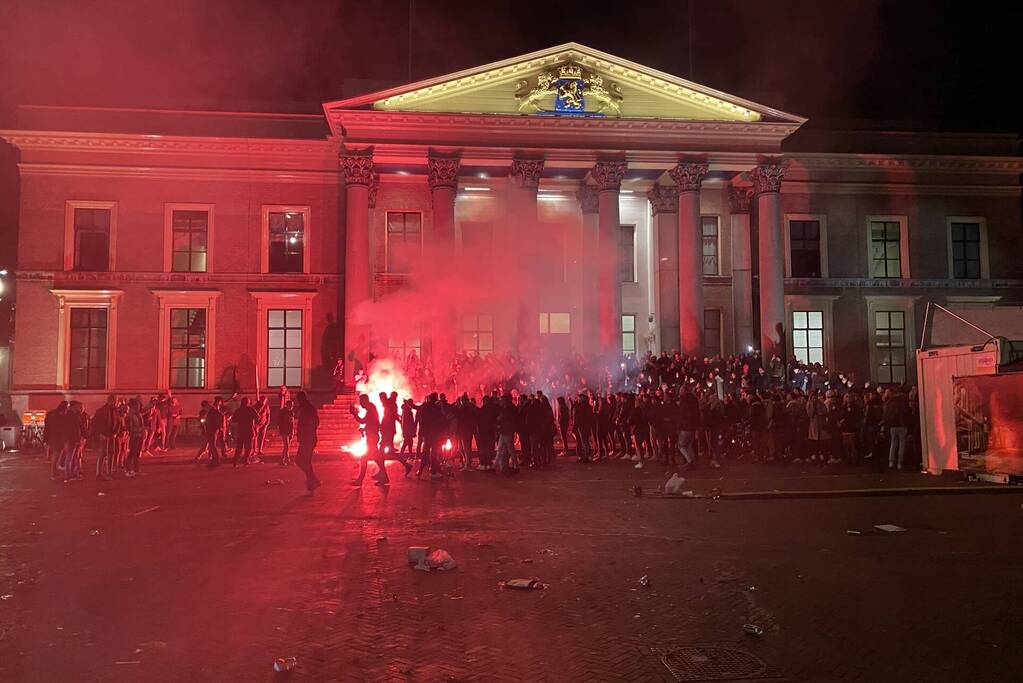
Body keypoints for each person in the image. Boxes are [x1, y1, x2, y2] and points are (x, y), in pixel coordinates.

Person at [350, 393, 387, 486]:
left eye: (361, 401)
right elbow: (370, 423)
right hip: (372, 436)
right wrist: (364, 428)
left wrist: (354, 414)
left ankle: (360, 480)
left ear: (365, 401)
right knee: (376, 457)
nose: (360, 404)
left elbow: (365, 421)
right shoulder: (371, 408)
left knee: (365, 458)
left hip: (372, 437)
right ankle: (384, 476)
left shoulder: (371, 409)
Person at [295, 391, 321, 495]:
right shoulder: (305, 408)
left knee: (301, 460)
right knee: (304, 461)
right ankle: (313, 481)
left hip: (308, 438)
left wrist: (306, 431)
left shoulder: (308, 408)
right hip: (306, 438)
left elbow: (315, 422)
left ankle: (312, 484)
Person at [884, 389, 911, 470]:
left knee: (893, 444)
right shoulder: (903, 403)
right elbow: (906, 414)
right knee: (902, 444)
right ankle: (900, 463)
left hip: (893, 425)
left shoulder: (890, 403)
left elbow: (886, 415)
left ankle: (891, 462)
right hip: (902, 425)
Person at [92, 395, 117, 481]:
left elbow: (116, 422)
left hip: (111, 435)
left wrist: (115, 432)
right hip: (104, 435)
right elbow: (95, 424)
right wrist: (100, 434)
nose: (116, 402)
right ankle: (99, 473)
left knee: (111, 453)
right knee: (103, 454)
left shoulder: (114, 410)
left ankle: (108, 472)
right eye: (115, 401)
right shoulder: (102, 411)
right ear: (110, 401)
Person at [230, 397, 259, 467]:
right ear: (248, 402)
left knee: (239, 447)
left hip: (241, 431)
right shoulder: (251, 409)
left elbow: (233, 420)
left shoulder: (238, 410)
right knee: (248, 448)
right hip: (249, 430)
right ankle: (245, 461)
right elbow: (258, 417)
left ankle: (235, 461)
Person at [204, 396, 228, 468]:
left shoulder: (215, 409)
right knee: (212, 445)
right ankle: (215, 461)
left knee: (212, 445)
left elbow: (220, 417)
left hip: (212, 429)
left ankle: (216, 461)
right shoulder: (215, 409)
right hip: (212, 429)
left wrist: (220, 427)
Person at [125, 398, 145, 477]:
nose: (139, 407)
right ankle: (128, 470)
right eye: (137, 405)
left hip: (139, 436)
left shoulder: (138, 414)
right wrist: (140, 429)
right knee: (132, 453)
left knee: (136, 454)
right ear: (133, 406)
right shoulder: (130, 416)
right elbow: (129, 428)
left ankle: (136, 470)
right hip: (134, 436)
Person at [277, 399, 295, 466]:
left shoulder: (291, 412)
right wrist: (280, 430)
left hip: (289, 431)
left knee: (286, 446)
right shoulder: (282, 412)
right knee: (286, 446)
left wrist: (292, 431)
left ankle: (285, 460)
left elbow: (292, 423)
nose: (291, 407)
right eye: (290, 405)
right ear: (287, 405)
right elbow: (279, 422)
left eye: (292, 405)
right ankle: (284, 460)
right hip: (284, 431)